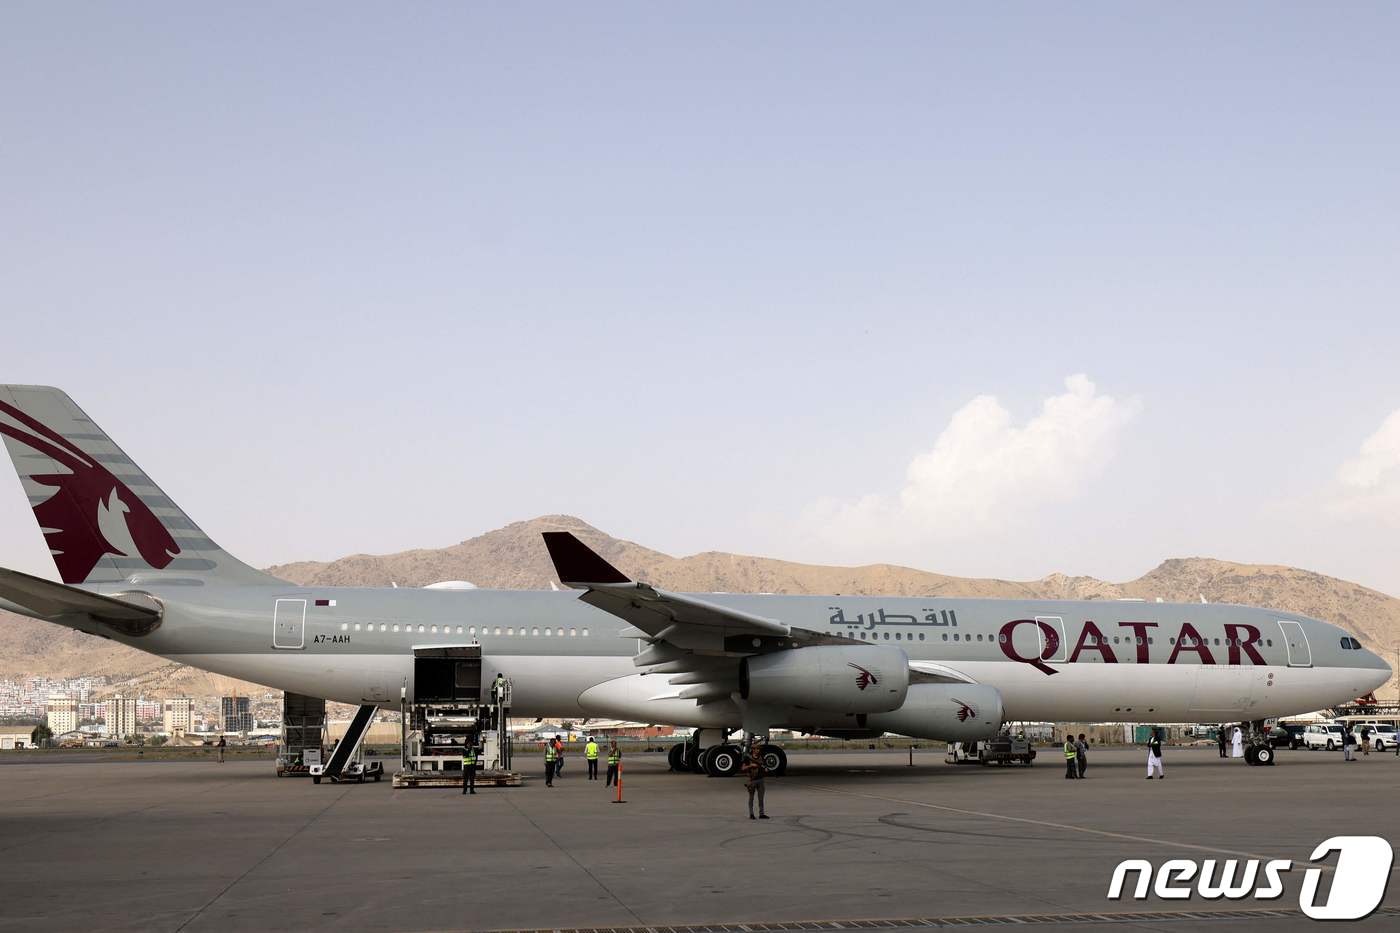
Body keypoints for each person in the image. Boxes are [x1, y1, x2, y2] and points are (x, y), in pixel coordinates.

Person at [741, 739, 768, 819]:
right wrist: (750, 765)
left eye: (758, 749)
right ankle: (751, 814)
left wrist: (765, 769)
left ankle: (761, 814)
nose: (758, 750)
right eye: (756, 749)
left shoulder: (761, 758)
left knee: (761, 799)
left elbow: (764, 766)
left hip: (760, 780)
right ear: (753, 750)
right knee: (751, 798)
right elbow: (743, 768)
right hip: (752, 780)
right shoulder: (748, 758)